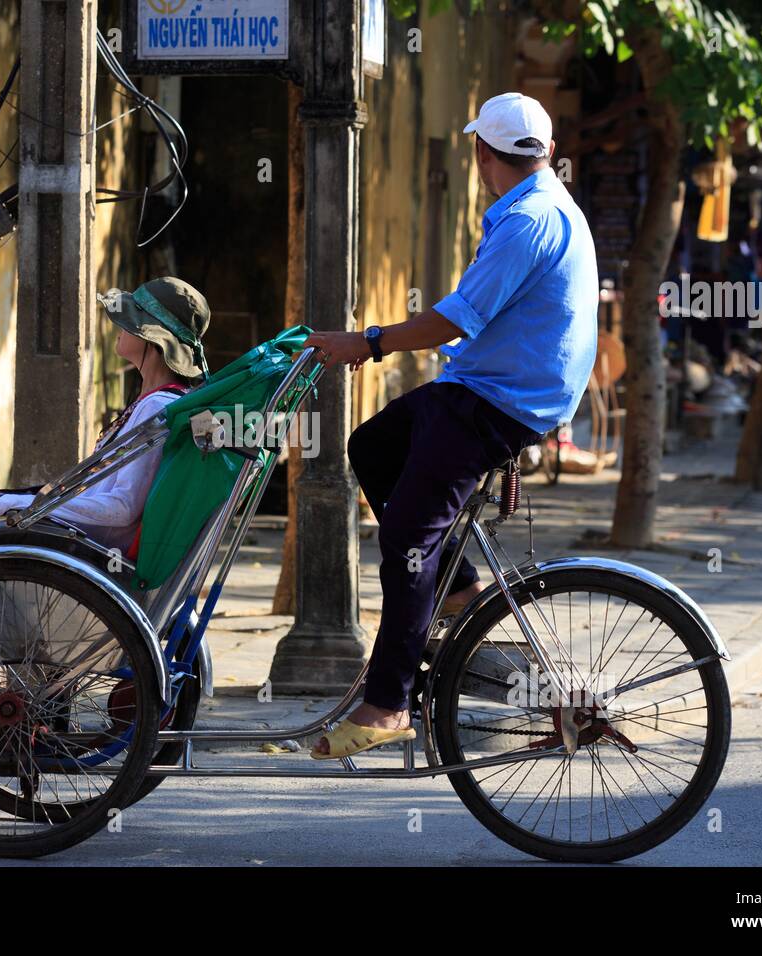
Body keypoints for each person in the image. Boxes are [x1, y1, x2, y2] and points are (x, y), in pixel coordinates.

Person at [302, 92, 598, 759]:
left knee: (408, 535)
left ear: (480, 155)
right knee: (372, 446)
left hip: (498, 401)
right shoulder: (545, 205)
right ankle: (460, 587)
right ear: (545, 151)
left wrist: (368, 342)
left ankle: (385, 706)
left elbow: (459, 316)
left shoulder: (530, 220)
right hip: (483, 386)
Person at [0, 277, 213, 616]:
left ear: (152, 339)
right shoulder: (154, 403)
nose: (118, 328)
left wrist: (19, 505)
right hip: (82, 544)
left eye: (129, 322)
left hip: (88, 551)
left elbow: (120, 508)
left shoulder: (156, 409)